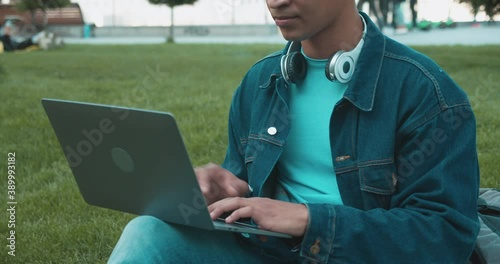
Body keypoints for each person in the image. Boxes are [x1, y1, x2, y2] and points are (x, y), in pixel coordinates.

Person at [108, 0, 480, 263]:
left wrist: (308, 220)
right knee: (147, 233)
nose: (276, 2)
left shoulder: (425, 91)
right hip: (269, 252)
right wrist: (222, 189)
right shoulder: (261, 81)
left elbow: (445, 237)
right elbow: (246, 188)